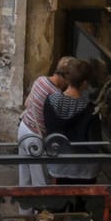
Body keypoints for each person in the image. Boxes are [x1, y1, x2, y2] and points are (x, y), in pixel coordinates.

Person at [17, 56, 84, 186]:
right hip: (36, 137)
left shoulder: (40, 80)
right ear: (65, 77)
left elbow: (26, 104)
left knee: (24, 178)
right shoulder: (56, 96)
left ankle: (24, 206)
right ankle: (41, 206)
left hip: (23, 128)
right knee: (40, 182)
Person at [42, 59, 102, 184]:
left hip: (57, 163)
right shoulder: (91, 110)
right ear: (85, 83)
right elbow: (94, 145)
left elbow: (49, 129)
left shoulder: (50, 101)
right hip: (84, 169)